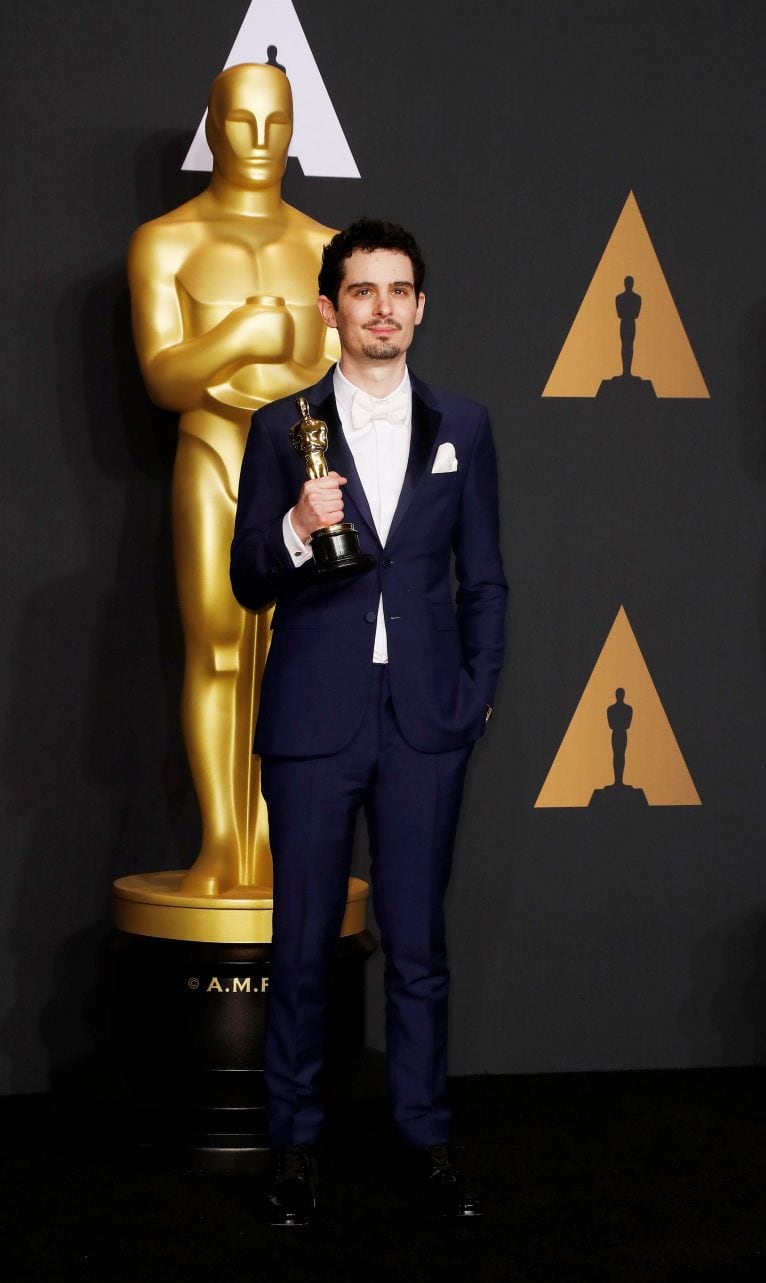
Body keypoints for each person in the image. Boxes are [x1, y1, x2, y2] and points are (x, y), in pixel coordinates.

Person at [230, 219, 507, 1225]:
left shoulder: (463, 426)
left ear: (420, 306)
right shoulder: (281, 428)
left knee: (419, 942)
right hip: (314, 719)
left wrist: (475, 691)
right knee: (301, 942)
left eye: (399, 290)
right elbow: (244, 576)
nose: (383, 308)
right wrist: (298, 532)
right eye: (363, 291)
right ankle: (292, 1149)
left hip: (426, 720)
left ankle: (426, 1142)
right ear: (328, 307)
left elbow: (485, 576)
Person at [127, 63, 338, 896]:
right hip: (212, 453)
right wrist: (249, 334)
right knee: (218, 650)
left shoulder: (324, 248)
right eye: (241, 120)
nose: (258, 140)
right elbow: (165, 375)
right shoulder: (166, 242)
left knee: (297, 653)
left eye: (275, 121)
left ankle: (278, 840)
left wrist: (247, 355)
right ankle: (224, 843)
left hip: (300, 469)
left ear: (294, 129)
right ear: (212, 125)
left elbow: (337, 377)